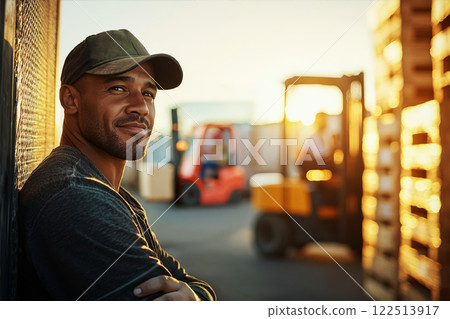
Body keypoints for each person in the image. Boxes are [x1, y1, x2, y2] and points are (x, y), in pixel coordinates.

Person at [18, 29, 216, 301]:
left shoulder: (113, 193)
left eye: (148, 93)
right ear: (70, 100)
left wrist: (199, 297)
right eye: (118, 88)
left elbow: (185, 282)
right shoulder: (76, 195)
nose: (141, 107)